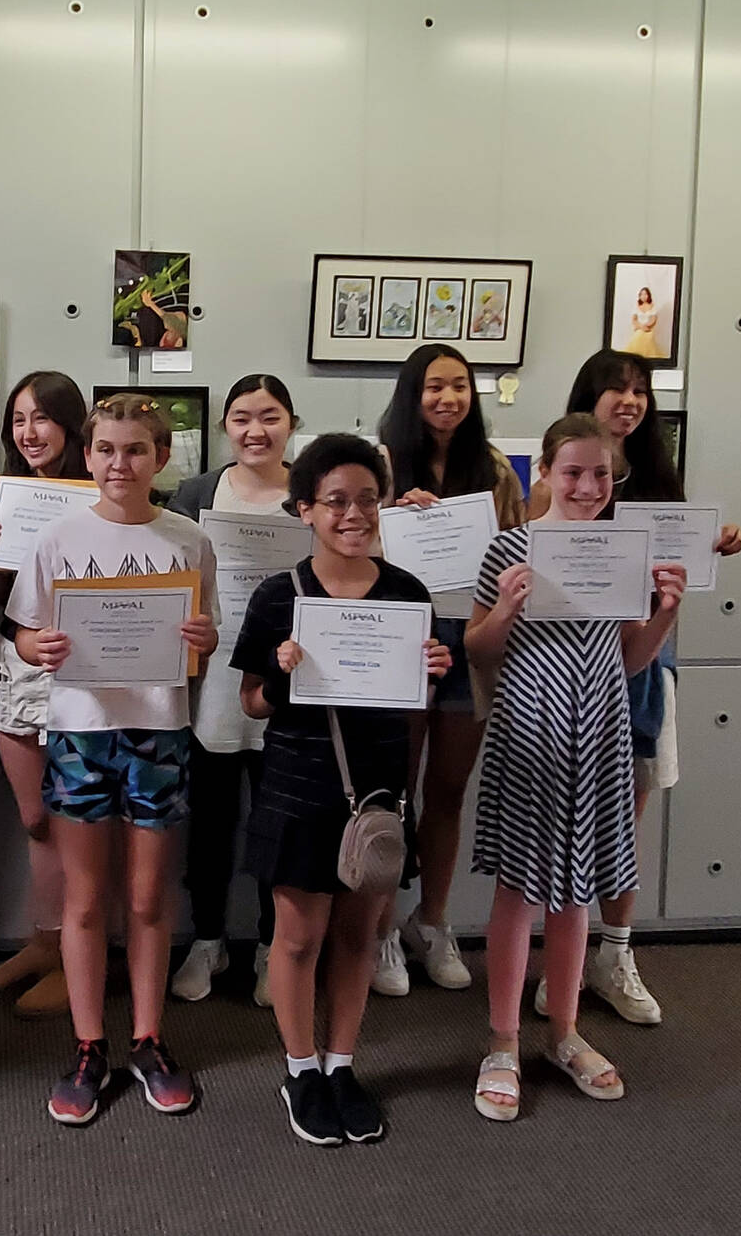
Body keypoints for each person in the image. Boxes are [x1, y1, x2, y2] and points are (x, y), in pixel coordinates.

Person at [233, 436, 452, 1146]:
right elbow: (252, 705)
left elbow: (412, 704)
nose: (353, 514)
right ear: (306, 510)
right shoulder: (279, 595)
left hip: (378, 790)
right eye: (335, 501)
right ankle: (300, 1069)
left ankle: (341, 1065)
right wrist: (281, 668)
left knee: (360, 935)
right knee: (297, 939)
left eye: (366, 499)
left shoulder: (407, 592)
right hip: (300, 786)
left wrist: (433, 668)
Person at [466, 414, 685, 1122]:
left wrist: (665, 614)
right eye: (573, 472)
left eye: (601, 473)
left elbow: (629, 658)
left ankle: (562, 1031)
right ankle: (502, 1041)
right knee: (519, 891)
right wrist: (505, 608)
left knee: (576, 892)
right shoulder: (508, 549)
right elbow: (477, 650)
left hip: (600, 733)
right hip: (530, 732)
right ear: (547, 475)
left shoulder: (625, 552)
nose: (588, 486)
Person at [8, 396, 219, 1126]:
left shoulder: (189, 540)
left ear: (161, 458)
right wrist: (42, 648)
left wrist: (200, 640)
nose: (118, 464)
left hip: (158, 731)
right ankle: (89, 1043)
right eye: (105, 449)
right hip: (80, 731)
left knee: (148, 897)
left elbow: (204, 642)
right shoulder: (58, 538)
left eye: (135, 450)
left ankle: (150, 1037)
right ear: (88, 455)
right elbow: (24, 636)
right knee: (86, 899)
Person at [526, 349, 741, 1026]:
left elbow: (677, 570)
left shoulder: (657, 479)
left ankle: (614, 955)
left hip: (647, 667)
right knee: (559, 827)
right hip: (570, 679)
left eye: (640, 390)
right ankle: (556, 967)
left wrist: (718, 544)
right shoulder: (556, 481)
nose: (629, 400)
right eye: (615, 388)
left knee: (627, 816)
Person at [373, 342, 525, 998]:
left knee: (449, 789)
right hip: (399, 643)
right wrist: (389, 523)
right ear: (413, 393)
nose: (448, 398)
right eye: (434, 386)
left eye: (460, 386)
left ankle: (430, 920)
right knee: (391, 789)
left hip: (471, 642)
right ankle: (379, 925)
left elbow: (519, 549)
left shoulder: (492, 468)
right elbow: (346, 542)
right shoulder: (381, 461)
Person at [166, 374, 297, 1006]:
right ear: (225, 426)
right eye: (242, 417)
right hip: (214, 684)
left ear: (290, 424)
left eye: (269, 417)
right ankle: (208, 941)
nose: (256, 430)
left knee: (278, 826)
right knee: (211, 823)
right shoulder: (196, 493)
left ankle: (274, 947)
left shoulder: (313, 495)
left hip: (292, 682)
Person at [0, 371, 90, 1019]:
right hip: (16, 669)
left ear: (71, 425)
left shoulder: (102, 495)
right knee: (36, 821)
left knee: (80, 825)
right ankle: (45, 942)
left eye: (41, 418)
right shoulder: (10, 500)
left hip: (81, 676)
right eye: (18, 419)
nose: (28, 431)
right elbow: (10, 606)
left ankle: (82, 956)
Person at [622, 288, 663, 359]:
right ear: (639, 296)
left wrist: (647, 326)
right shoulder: (637, 306)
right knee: (638, 336)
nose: (643, 296)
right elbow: (634, 319)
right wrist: (640, 326)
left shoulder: (652, 306)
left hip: (648, 329)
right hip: (639, 328)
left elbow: (653, 319)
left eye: (645, 294)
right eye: (642, 294)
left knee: (648, 339)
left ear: (648, 296)